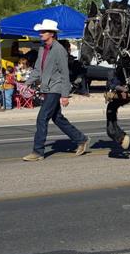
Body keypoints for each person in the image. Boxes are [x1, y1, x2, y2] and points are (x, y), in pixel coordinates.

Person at [22, 19, 89, 162]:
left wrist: (65, 95)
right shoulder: (42, 48)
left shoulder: (59, 50)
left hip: (56, 88)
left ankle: (38, 151)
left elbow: (65, 74)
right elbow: (38, 69)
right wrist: (27, 83)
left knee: (42, 118)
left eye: (43, 31)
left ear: (51, 34)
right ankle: (81, 139)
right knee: (57, 118)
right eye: (41, 31)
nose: (40, 33)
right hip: (47, 88)